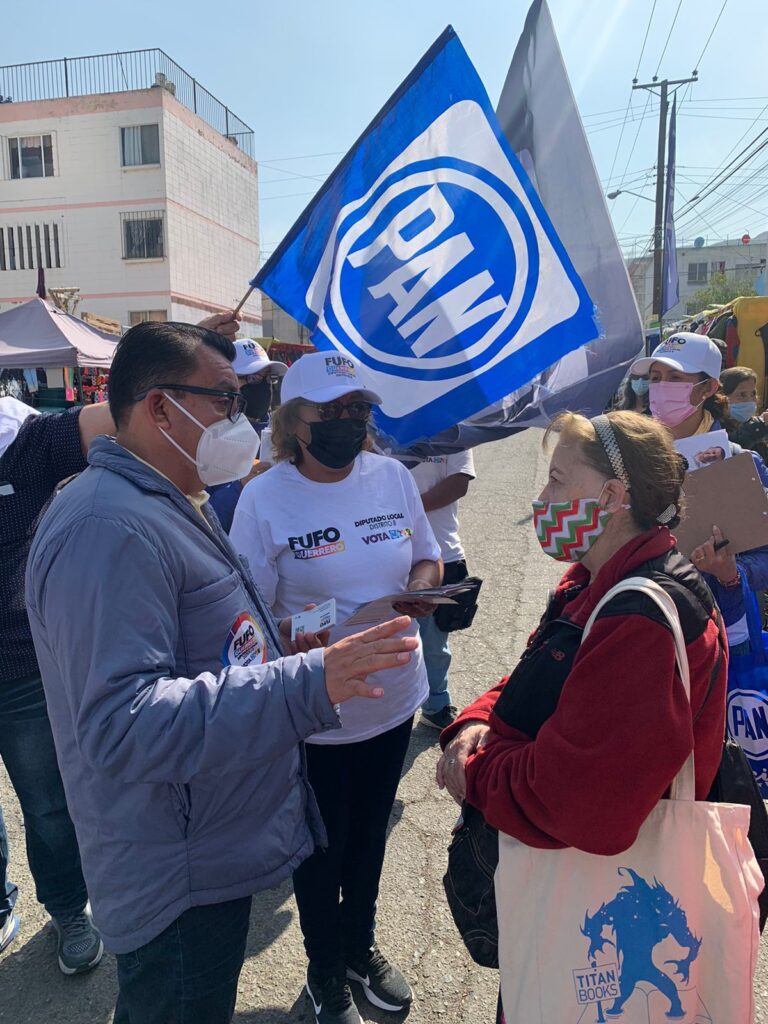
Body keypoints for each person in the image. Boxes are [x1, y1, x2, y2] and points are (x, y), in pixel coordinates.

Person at [24, 322, 419, 1024]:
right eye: (226, 401)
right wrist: (309, 681)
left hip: (203, 847)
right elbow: (122, 725)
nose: (242, 422)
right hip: (178, 874)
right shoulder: (108, 528)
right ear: (159, 408)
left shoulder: (161, 502)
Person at [435, 410, 727, 1024]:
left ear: (614, 496)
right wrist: (474, 721)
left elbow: (579, 802)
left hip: (595, 898)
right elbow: (538, 678)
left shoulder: (638, 616)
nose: (542, 499)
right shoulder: (597, 582)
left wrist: (477, 771)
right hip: (575, 895)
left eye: (558, 481)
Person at [0, 310, 236, 972]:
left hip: (19, 670)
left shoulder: (20, 444)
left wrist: (178, 357)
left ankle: (69, 912)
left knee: (48, 805)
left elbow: (129, 413)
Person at [230, 351, 442, 1024]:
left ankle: (360, 947)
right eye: (333, 411)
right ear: (296, 423)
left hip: (396, 694)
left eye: (359, 410)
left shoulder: (391, 477)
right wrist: (299, 634)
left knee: (369, 838)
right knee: (322, 847)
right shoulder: (264, 497)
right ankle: (325, 970)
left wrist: (424, 591)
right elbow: (244, 615)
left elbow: (428, 555)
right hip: (317, 709)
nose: (350, 422)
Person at [630, 333, 768, 653]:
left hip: (719, 633)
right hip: (642, 620)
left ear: (708, 388)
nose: (662, 387)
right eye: (655, 377)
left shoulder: (738, 462)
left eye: (675, 378)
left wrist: (731, 571)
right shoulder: (628, 458)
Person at [408, 451, 476, 729]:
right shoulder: (382, 428)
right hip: (387, 554)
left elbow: (459, 482)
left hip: (442, 553)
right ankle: (385, 711)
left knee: (435, 643)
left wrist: (404, 507)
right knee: (388, 640)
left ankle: (435, 705)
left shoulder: (455, 432)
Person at [207, 338, 287, 531]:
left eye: (268, 379)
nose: (263, 387)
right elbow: (202, 519)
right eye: (253, 378)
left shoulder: (278, 433)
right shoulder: (204, 433)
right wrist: (241, 486)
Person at [720, 365, 768, 462]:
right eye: (742, 394)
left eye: (753, 393)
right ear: (723, 397)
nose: (750, 400)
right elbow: (734, 447)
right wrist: (760, 425)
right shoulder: (714, 425)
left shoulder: (752, 423)